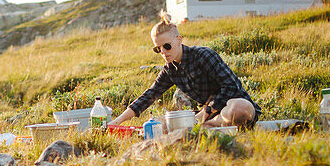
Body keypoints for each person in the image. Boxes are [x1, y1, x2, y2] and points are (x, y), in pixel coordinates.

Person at [109, 12, 260, 129]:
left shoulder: (204, 55)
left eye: (167, 46)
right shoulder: (170, 70)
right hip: (209, 116)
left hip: (231, 108)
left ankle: (208, 127)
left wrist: (205, 112)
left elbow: (232, 87)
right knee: (159, 123)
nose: (163, 51)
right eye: (158, 49)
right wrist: (117, 121)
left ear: (179, 40)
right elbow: (149, 95)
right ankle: (209, 127)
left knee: (241, 108)